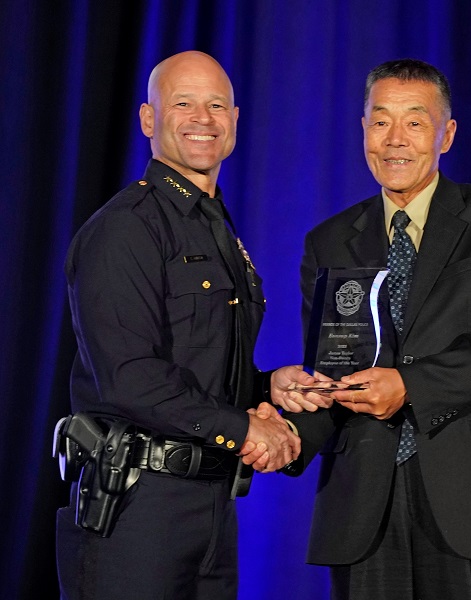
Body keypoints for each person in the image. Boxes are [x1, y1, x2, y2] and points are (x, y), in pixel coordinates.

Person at [55, 50, 329, 600]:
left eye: (216, 105)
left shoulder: (217, 231)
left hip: (211, 505)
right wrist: (247, 428)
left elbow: (194, 369)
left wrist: (263, 386)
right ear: (149, 119)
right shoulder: (125, 230)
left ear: (233, 121)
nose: (203, 118)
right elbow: (132, 378)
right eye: (183, 103)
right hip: (138, 508)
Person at [278, 59, 471, 599]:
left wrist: (410, 385)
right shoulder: (329, 241)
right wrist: (288, 431)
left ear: (446, 134)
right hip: (364, 504)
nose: (395, 140)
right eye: (380, 121)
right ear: (363, 131)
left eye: (415, 121)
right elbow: (337, 369)